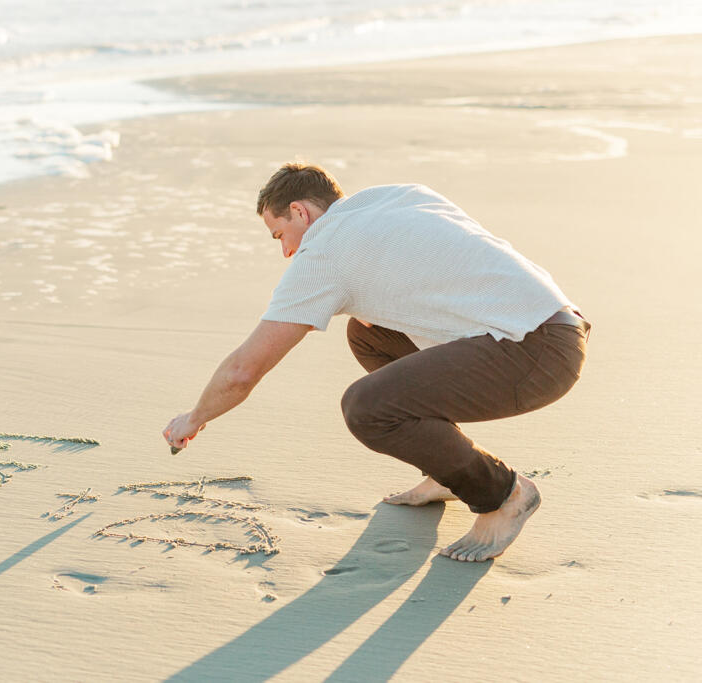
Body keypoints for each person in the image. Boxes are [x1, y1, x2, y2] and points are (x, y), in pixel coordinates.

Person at [163, 162, 590, 562]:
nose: (287, 252)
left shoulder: (324, 252)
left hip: (535, 353)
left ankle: (504, 494)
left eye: (280, 235)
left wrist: (194, 418)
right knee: (369, 334)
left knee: (366, 408)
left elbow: (243, 371)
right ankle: (446, 468)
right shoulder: (397, 196)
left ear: (300, 212)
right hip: (558, 327)